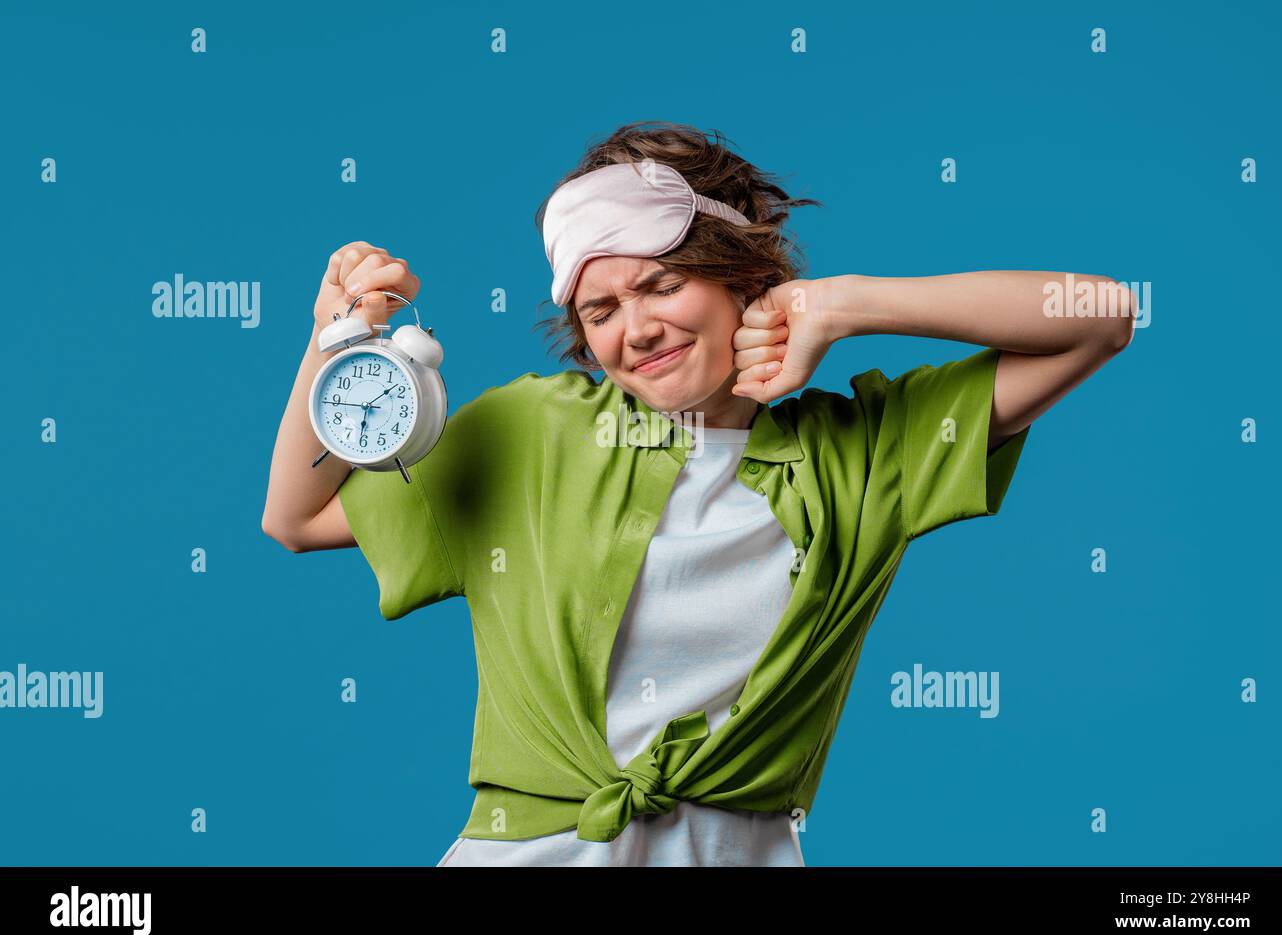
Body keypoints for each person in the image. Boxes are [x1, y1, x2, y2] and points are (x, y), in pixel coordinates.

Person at [262, 120, 1134, 867]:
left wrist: (843, 304)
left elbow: (1100, 314)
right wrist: (331, 340)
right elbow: (296, 516)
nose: (635, 327)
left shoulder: (864, 453)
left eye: (661, 283)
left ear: (738, 277)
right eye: (599, 311)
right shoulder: (530, 432)